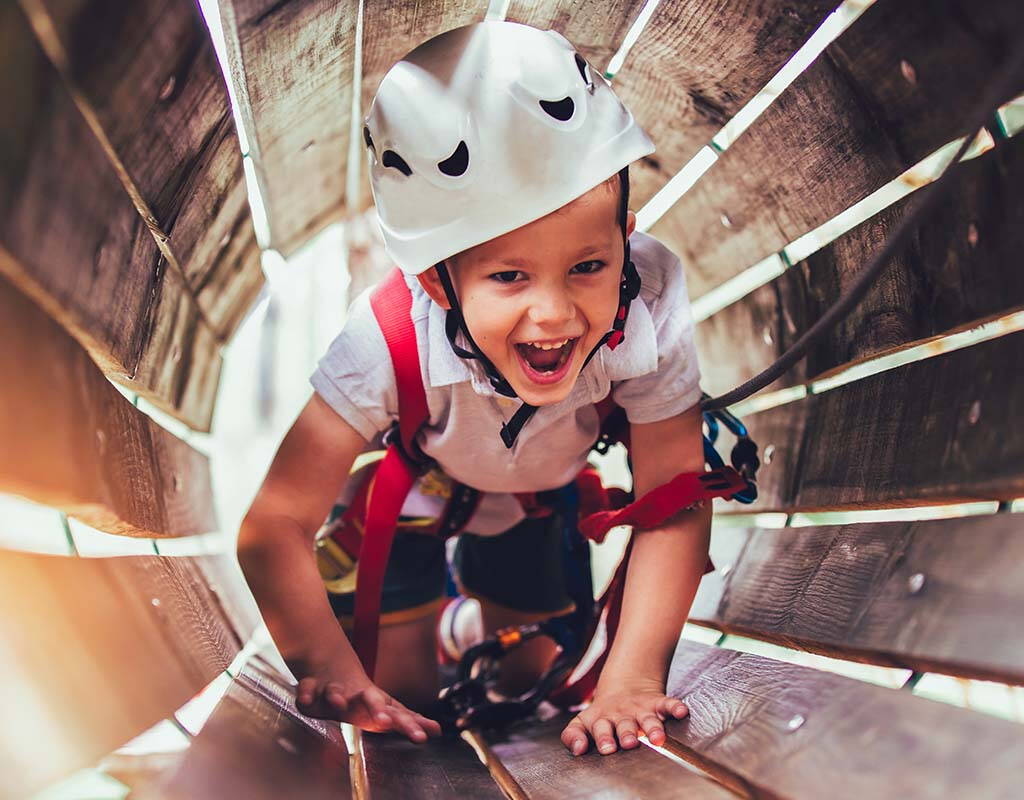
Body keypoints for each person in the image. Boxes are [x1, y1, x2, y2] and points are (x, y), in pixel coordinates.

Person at [237, 20, 709, 757]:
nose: (554, 313)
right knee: (407, 703)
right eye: (509, 276)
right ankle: (438, 616)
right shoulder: (386, 340)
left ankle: (464, 623)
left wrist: (630, 680)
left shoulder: (646, 302)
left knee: (526, 672)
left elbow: (673, 499)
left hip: (534, 493)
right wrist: (328, 669)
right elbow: (272, 528)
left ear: (626, 235)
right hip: (413, 496)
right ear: (435, 280)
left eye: (588, 266)